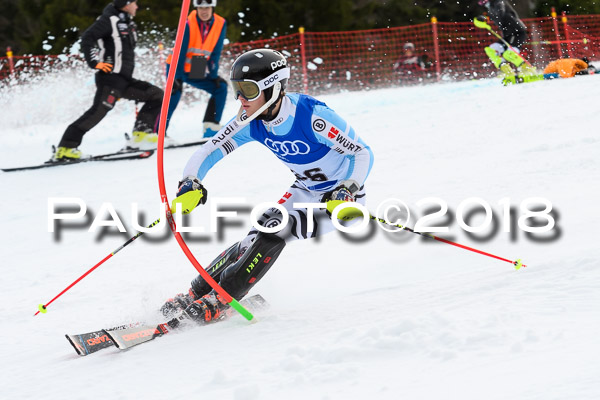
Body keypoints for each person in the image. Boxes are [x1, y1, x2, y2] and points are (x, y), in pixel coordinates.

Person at [159, 48, 374, 324]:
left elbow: (362, 152)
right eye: (237, 89)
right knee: (253, 237)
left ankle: (222, 298)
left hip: (342, 203)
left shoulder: (312, 116)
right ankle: (196, 292)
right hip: (305, 189)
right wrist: (191, 182)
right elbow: (209, 150)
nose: (239, 98)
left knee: (274, 231)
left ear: (272, 88)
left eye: (247, 89)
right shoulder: (252, 120)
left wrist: (347, 188)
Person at [54, 0, 163, 161]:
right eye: (134, 3)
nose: (137, 6)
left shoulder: (126, 21)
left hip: (125, 80)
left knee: (157, 95)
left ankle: (141, 134)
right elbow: (87, 38)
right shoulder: (108, 20)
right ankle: (66, 147)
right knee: (98, 111)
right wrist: (95, 63)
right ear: (126, 4)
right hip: (110, 79)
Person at [163, 0, 227, 139]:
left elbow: (216, 52)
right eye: (201, 8)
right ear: (196, 8)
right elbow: (180, 52)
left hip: (198, 64)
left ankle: (211, 126)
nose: (204, 11)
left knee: (220, 87)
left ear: (212, 7)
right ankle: (159, 133)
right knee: (173, 95)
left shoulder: (220, 23)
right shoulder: (187, 23)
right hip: (177, 65)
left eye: (207, 7)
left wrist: (214, 75)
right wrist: (177, 77)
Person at [477, 0, 536, 80]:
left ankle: (527, 69)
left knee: (509, 54)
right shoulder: (491, 6)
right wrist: (484, 20)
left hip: (517, 32)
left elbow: (500, 12)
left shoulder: (498, 2)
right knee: (492, 49)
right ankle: (506, 71)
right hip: (508, 35)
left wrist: (488, 17)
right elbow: (496, 16)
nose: (482, 4)